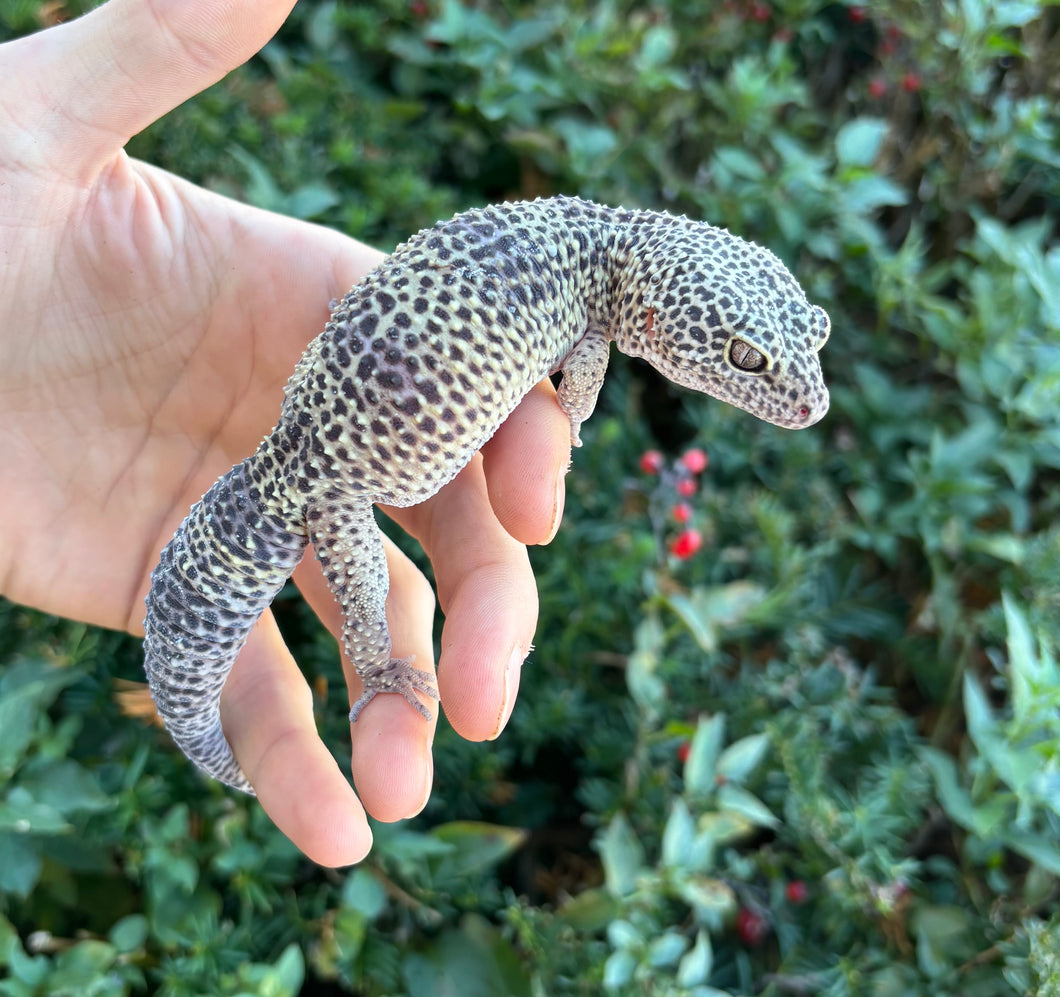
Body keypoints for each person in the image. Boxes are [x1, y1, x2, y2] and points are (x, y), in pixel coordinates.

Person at [0, 0, 571, 868]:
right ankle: (374, 672)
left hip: (310, 448)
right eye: (743, 360)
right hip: (319, 470)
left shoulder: (589, 271)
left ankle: (301, 689)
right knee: (374, 602)